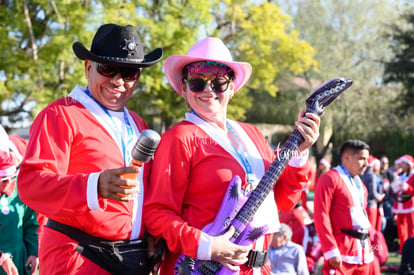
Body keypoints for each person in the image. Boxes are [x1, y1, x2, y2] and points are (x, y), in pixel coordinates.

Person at [144, 37, 320, 274]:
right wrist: (208, 246)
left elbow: (284, 201)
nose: (208, 90)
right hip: (202, 267)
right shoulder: (179, 138)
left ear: (232, 87)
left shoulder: (253, 134)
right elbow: (157, 213)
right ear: (184, 88)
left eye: (218, 82)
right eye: (197, 82)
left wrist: (299, 153)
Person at [17, 23, 163, 274]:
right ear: (88, 68)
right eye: (108, 69)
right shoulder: (61, 114)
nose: (118, 81)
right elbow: (30, 185)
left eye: (129, 73)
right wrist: (93, 186)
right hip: (78, 256)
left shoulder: (138, 123)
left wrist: (149, 230)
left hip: (131, 258)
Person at [313, 139, 374, 275]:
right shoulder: (329, 179)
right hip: (341, 254)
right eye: (362, 159)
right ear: (347, 157)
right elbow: (321, 215)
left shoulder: (361, 184)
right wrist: (331, 249)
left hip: (363, 253)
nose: (367, 164)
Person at [0, 149, 38, 275]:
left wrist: (33, 253)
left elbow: (30, 224)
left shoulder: (20, 193)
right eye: (4, 179)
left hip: (19, 258)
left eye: (13, 177)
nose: (10, 183)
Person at [391, 154, 414, 254]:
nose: (401, 165)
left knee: (411, 228)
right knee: (400, 229)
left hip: (410, 204)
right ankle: (402, 249)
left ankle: (411, 249)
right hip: (399, 204)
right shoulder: (400, 175)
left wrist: (406, 187)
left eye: (403, 163)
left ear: (409, 165)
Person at [361, 155, 385, 232]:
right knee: (371, 230)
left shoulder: (363, 175)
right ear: (374, 165)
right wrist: (380, 197)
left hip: (364, 206)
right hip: (371, 205)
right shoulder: (372, 175)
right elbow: (373, 193)